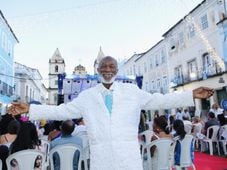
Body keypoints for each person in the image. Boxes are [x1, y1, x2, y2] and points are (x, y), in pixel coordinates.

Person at [8, 56, 214, 170]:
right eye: (103, 66)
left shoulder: (131, 91)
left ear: (116, 70)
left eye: (112, 66)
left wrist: (191, 95)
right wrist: (31, 108)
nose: (108, 69)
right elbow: (61, 111)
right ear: (98, 70)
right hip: (102, 159)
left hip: (128, 159)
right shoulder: (88, 96)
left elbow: (159, 100)